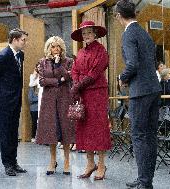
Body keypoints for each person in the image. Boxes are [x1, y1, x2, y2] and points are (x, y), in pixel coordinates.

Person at [115, 0, 161, 188]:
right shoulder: (144, 33)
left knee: (140, 136)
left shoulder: (128, 35)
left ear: (119, 16)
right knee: (150, 136)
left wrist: (121, 77)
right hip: (153, 89)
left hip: (140, 92)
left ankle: (144, 181)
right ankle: (146, 179)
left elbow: (132, 64)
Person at [70, 20, 111, 180]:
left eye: (89, 32)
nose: (86, 35)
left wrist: (78, 85)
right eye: (84, 33)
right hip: (83, 94)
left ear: (95, 34)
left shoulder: (101, 51)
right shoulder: (80, 53)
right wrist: (76, 85)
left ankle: (101, 164)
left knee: (99, 129)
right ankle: (90, 163)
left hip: (97, 93)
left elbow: (94, 73)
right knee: (84, 128)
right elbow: (74, 70)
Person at [0, 28, 28, 176]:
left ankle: (14, 161)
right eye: (23, 40)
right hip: (4, 101)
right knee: (5, 133)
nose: (25, 43)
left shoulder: (20, 55)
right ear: (15, 40)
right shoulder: (3, 55)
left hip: (15, 99)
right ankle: (7, 164)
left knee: (13, 132)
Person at [36, 36, 74, 175]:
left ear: (62, 48)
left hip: (64, 98)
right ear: (48, 48)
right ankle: (52, 160)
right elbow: (42, 81)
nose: (55, 49)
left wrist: (59, 66)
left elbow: (69, 77)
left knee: (65, 129)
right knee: (51, 129)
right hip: (49, 100)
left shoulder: (68, 61)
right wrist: (58, 81)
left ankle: (66, 161)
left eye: (58, 46)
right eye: (53, 46)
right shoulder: (42, 62)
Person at [28, 67, 39, 143]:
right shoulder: (32, 88)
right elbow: (30, 99)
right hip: (34, 108)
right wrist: (39, 98)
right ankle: (33, 136)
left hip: (40, 108)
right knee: (34, 123)